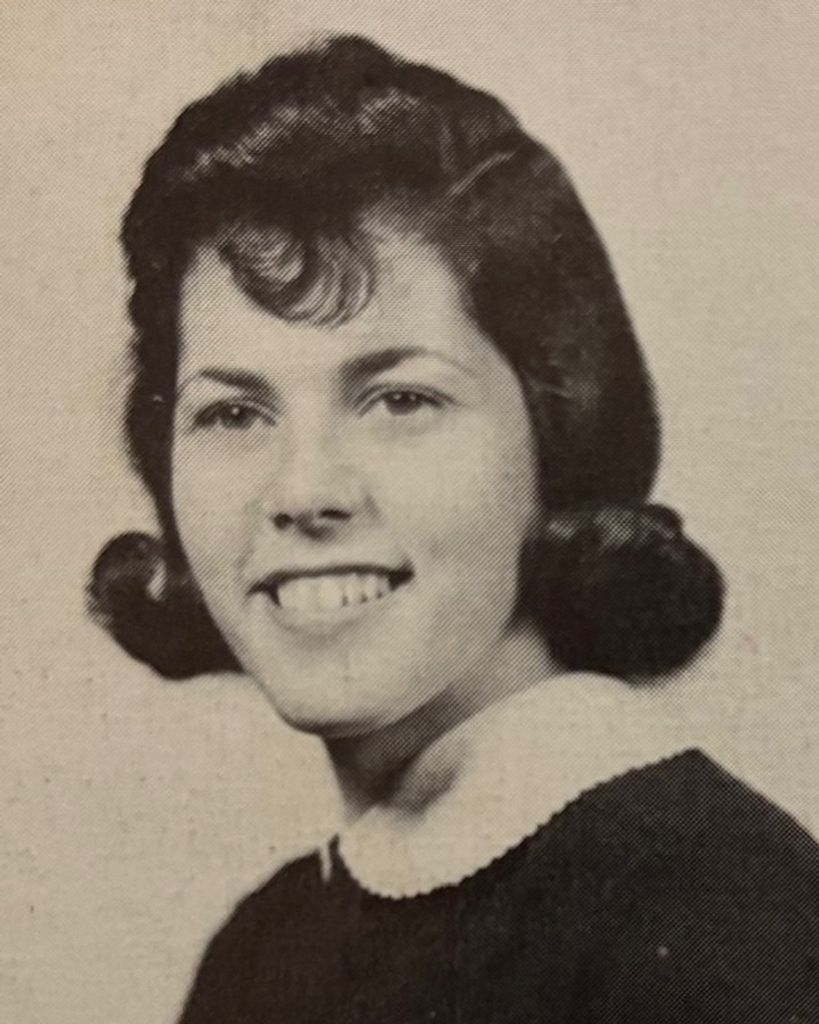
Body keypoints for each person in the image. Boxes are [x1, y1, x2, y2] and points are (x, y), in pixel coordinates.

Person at [89, 34, 819, 1022]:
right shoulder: (265, 951)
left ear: (556, 438)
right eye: (233, 413)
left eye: (399, 399)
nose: (303, 490)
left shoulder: (722, 916)